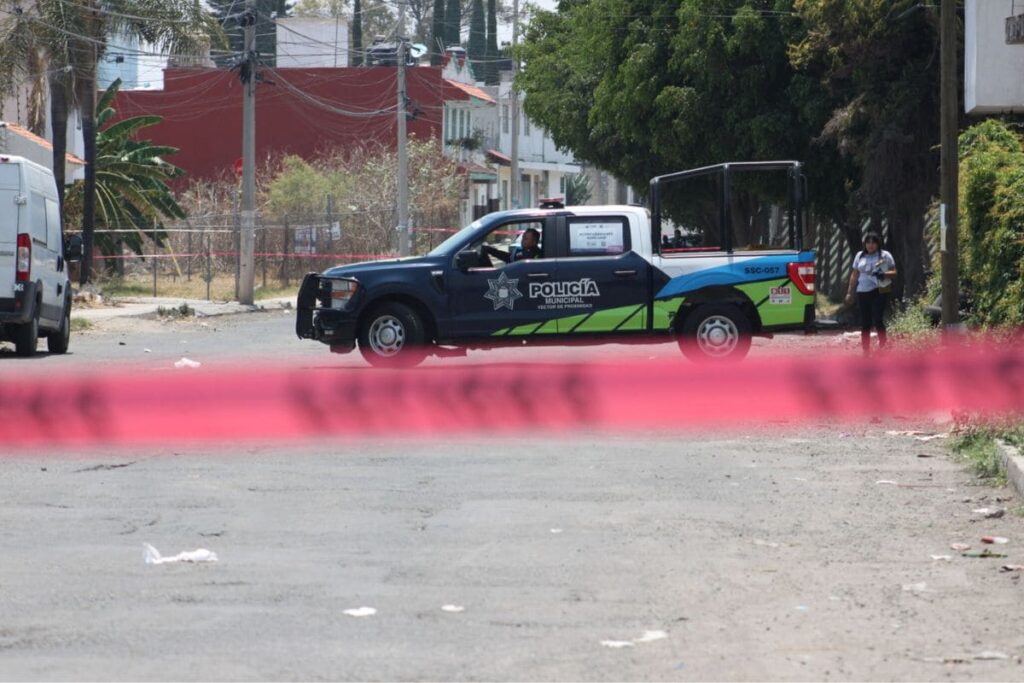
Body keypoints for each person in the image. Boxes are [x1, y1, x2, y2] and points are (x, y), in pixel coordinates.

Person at [845, 232, 897, 355]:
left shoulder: (885, 255)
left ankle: (883, 345)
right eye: (868, 242)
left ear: (878, 243)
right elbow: (854, 274)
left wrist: (883, 274)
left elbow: (894, 272)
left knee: (878, 319)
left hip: (879, 290)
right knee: (865, 322)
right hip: (862, 291)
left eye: (873, 242)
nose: (870, 245)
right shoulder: (860, 256)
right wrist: (849, 292)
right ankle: (866, 350)